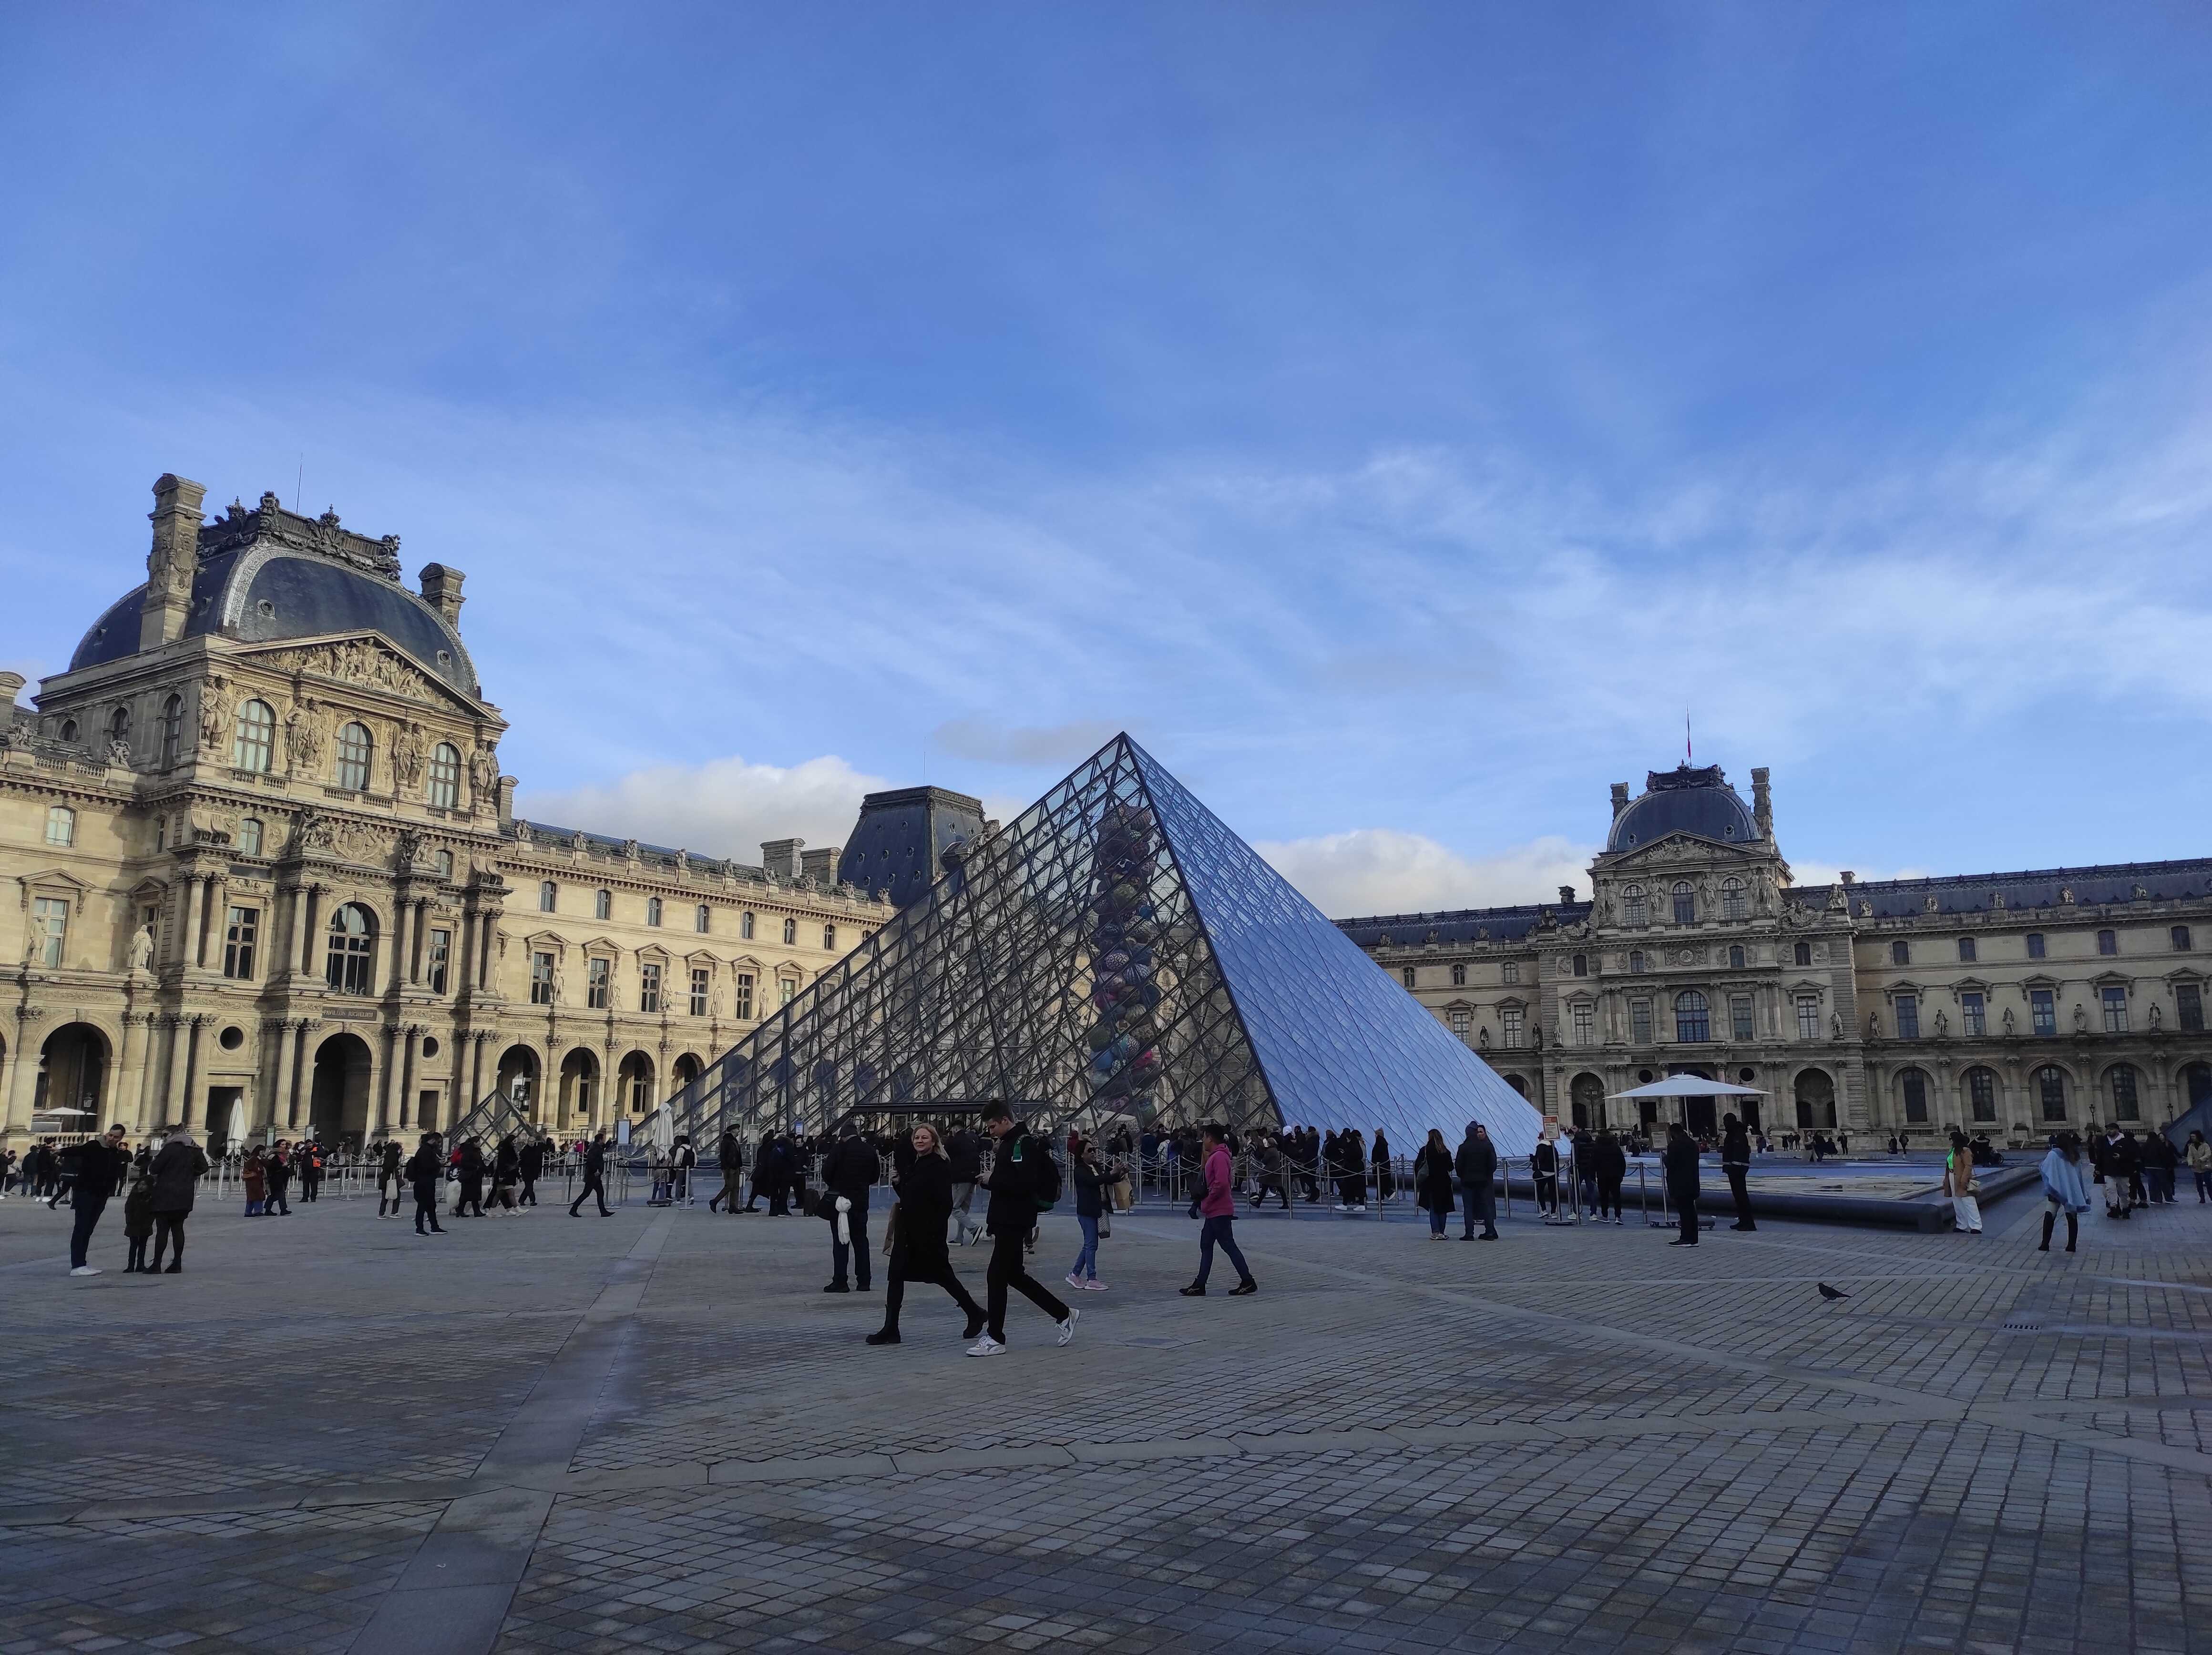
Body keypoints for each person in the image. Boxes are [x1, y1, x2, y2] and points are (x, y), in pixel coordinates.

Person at [968, 1099, 1076, 1355]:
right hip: (1009, 1219)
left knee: (996, 1276)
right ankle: (1064, 1314)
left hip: (1014, 1220)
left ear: (1006, 1120)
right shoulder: (1010, 1143)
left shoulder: (1022, 1144)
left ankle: (995, 1338)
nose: (990, 1131)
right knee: (1014, 1275)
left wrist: (990, 1180)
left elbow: (1023, 1183)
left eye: (993, 1126)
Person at [869, 1123, 986, 1344]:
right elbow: (909, 1197)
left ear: (934, 1142)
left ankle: (975, 1312)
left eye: (924, 1138)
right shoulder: (917, 1164)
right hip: (909, 1232)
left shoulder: (939, 1166)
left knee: (943, 1277)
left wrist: (932, 1231)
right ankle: (891, 1328)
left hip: (926, 1234)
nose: (919, 1141)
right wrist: (898, 1184)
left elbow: (944, 1204)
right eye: (917, 1138)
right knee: (896, 1276)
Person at [1181, 1123, 1259, 1296]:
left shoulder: (1219, 1157)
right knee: (1207, 1245)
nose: (1202, 1140)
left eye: (1204, 1137)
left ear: (1210, 1138)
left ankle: (1247, 1281)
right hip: (1216, 1210)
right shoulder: (1218, 1155)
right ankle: (1200, 1284)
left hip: (1219, 1210)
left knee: (1228, 1246)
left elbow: (1222, 1183)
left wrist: (1207, 1201)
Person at [819, 1121, 880, 1293]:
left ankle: (841, 1282)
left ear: (843, 1137)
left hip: (841, 1203)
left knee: (841, 1242)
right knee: (861, 1241)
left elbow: (826, 1173)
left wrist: (836, 1185)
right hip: (861, 1201)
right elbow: (875, 1176)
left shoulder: (839, 1149)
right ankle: (864, 1281)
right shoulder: (869, 1150)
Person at [65, 1124, 128, 1276]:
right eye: (110, 1135)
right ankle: (77, 1265)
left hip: (101, 1195)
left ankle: (82, 1264)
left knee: (88, 1229)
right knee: (81, 1228)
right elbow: (78, 1151)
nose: (111, 1138)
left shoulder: (114, 1152)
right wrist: (59, 1151)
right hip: (86, 1192)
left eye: (116, 1137)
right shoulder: (95, 1145)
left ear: (121, 1139)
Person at [147, 1126, 209, 1272]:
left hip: (165, 1193)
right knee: (178, 1228)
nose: (163, 1138)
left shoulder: (169, 1149)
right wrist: (189, 1174)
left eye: (164, 1135)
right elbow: (204, 1167)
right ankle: (177, 1263)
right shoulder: (194, 1148)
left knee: (162, 1230)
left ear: (171, 1134)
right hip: (185, 1194)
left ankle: (157, 1264)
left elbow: (154, 1169)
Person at [1066, 1132, 1107, 1290]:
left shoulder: (1096, 1167)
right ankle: (1092, 1279)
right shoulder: (1080, 1170)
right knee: (1091, 1245)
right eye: (1090, 1150)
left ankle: (1075, 1275)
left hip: (1096, 1209)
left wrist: (1118, 1173)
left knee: (1089, 1245)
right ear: (1082, 1155)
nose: (1093, 1152)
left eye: (1094, 1150)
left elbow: (1106, 1179)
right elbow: (1094, 1181)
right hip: (1086, 1210)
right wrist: (1111, 1174)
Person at [2038, 1133, 2090, 1253]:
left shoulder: (2054, 1154)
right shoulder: (2075, 1155)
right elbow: (2077, 1176)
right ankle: (2072, 1246)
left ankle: (2045, 1244)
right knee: (2072, 1217)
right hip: (2071, 1190)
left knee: (2050, 1214)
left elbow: (2045, 1168)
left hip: (2056, 1190)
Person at [1455, 1121, 1498, 1240]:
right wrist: (1487, 1175)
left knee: (1468, 1208)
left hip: (1467, 1183)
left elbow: (1458, 1166)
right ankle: (1489, 1232)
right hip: (1484, 1182)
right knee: (1486, 1206)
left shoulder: (1463, 1148)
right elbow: (1493, 1165)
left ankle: (1469, 1234)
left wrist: (1463, 1176)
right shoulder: (1487, 1146)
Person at [1662, 1122, 1700, 1246]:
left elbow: (1671, 1164)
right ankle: (1694, 1239)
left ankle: (1685, 1238)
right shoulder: (1693, 1144)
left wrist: (1664, 1158)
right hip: (1692, 1182)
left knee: (1684, 1212)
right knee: (1691, 1212)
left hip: (1679, 1183)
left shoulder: (1674, 1145)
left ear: (1673, 1133)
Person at [1415, 1128, 1455, 1238]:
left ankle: (1436, 1232)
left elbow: (1418, 1166)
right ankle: (1441, 1232)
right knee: (1443, 1209)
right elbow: (1450, 1167)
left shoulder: (1425, 1150)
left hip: (1430, 1183)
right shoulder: (1445, 1151)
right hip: (1444, 1183)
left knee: (1433, 1208)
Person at [947, 1123, 983, 1244]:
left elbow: (945, 1157)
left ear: (955, 1129)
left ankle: (974, 1228)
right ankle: (959, 1237)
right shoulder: (971, 1140)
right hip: (972, 1178)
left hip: (959, 1178)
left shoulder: (954, 1142)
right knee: (963, 1209)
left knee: (954, 1207)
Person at [406, 1133, 447, 1236]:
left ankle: (435, 1227)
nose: (439, 1145)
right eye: (439, 1142)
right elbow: (426, 1167)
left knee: (431, 1206)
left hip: (425, 1181)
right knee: (423, 1206)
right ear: (433, 1140)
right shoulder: (426, 1151)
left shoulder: (425, 1150)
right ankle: (420, 1229)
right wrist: (439, 1164)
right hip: (425, 1182)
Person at [1720, 1114, 1756, 1232]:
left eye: (1725, 1121)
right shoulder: (1734, 1133)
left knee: (1742, 1197)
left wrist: (1734, 1167)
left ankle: (1749, 1223)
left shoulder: (1737, 1134)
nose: (1724, 1124)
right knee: (1739, 1197)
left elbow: (1739, 1153)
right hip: (1735, 1169)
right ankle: (1743, 1221)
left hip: (1738, 1170)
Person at [1943, 1129, 1983, 1235]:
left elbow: (1968, 1166)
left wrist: (1964, 1180)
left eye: (1950, 1138)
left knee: (1969, 1202)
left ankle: (1976, 1226)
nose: (1949, 1141)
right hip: (1952, 1177)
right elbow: (1949, 1165)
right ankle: (1962, 1225)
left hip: (1962, 1178)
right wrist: (1946, 1179)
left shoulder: (1965, 1151)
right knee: (1957, 1202)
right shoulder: (1953, 1150)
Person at [569, 1130, 613, 1216]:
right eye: (603, 1140)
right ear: (600, 1140)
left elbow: (604, 1147)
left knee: (600, 1193)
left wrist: (609, 1143)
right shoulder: (595, 1149)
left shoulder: (597, 1147)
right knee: (586, 1194)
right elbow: (591, 1161)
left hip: (596, 1176)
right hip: (593, 1175)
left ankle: (603, 1212)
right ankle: (573, 1209)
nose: (603, 1141)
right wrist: (595, 1170)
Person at [122, 1166, 156, 1271]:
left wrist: (149, 1222)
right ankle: (131, 1265)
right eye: (140, 1185)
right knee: (133, 1246)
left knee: (142, 1246)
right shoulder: (134, 1196)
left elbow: (152, 1212)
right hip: (133, 1224)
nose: (141, 1187)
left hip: (145, 1225)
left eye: (144, 1185)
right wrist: (130, 1221)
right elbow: (128, 1209)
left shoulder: (151, 1197)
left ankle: (140, 1264)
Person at [1595, 1128, 1627, 1225]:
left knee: (1604, 1197)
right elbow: (1622, 1162)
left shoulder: (1597, 1148)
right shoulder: (1616, 1147)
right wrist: (1622, 1175)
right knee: (1617, 1196)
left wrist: (1593, 1175)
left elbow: (1594, 1162)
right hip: (1615, 1175)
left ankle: (1605, 1216)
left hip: (1602, 1176)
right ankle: (1618, 1216)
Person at [2140, 1128, 2179, 1205]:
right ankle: (2169, 1199)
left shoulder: (2145, 1145)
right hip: (2160, 1167)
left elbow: (2142, 1157)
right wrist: (2168, 1166)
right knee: (2164, 1184)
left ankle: (2155, 1199)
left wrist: (2143, 1167)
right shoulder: (2159, 1145)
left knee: (2153, 1184)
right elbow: (2164, 1156)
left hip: (2149, 1167)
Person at [710, 1128, 743, 1212]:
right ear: (733, 1131)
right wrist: (726, 1167)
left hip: (735, 1167)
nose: (739, 1132)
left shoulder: (733, 1140)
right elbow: (723, 1156)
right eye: (737, 1131)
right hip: (730, 1167)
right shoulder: (727, 1141)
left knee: (735, 1187)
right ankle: (715, 1201)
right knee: (729, 1186)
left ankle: (733, 1207)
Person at [456, 1137, 488, 1217]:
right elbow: (464, 1163)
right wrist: (476, 1167)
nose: (480, 1144)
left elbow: (480, 1163)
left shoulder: (475, 1151)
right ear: (474, 1143)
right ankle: (463, 1211)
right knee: (467, 1195)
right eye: (478, 1142)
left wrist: (486, 1170)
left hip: (475, 1176)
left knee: (473, 1195)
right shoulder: (469, 1152)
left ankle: (470, 1211)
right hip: (470, 1176)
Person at [491, 1135, 521, 1212]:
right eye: (514, 1141)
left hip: (506, 1175)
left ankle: (493, 1211)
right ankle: (517, 1209)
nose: (515, 1143)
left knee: (499, 1194)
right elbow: (504, 1164)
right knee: (510, 1192)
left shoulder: (506, 1151)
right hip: (506, 1175)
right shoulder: (507, 1152)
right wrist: (502, 1175)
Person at [1531, 1135, 1559, 1217]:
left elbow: (1539, 1159)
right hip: (1553, 1173)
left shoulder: (1541, 1147)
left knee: (1540, 1191)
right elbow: (1556, 1160)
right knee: (1553, 1193)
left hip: (1543, 1173)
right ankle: (1553, 1212)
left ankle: (1544, 1210)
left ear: (1540, 1138)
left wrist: (1533, 1159)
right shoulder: (1553, 1147)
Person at [266, 1140, 293, 1216]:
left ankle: (268, 1209)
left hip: (282, 1176)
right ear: (278, 1145)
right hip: (276, 1177)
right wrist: (282, 1166)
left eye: (285, 1144)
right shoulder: (274, 1155)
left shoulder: (284, 1154)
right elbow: (271, 1166)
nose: (284, 1146)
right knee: (281, 1193)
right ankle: (283, 1209)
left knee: (274, 1194)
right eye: (283, 1144)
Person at [378, 1138, 404, 1216]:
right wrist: (396, 1168)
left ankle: (381, 1213)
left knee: (385, 1196)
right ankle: (394, 1212)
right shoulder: (394, 1155)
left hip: (385, 1177)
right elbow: (391, 1166)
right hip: (391, 1177)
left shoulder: (388, 1154)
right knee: (397, 1195)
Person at [242, 1145, 267, 1217]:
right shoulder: (254, 1159)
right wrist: (257, 1170)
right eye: (262, 1151)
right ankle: (257, 1211)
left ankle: (249, 1212)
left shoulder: (259, 1159)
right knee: (256, 1196)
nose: (264, 1153)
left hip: (257, 1180)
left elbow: (267, 1164)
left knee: (253, 1196)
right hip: (253, 1180)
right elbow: (247, 1166)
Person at [518, 1134, 543, 1206]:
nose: (532, 1143)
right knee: (529, 1186)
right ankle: (532, 1200)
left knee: (529, 1186)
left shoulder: (537, 1150)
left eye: (533, 1142)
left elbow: (539, 1160)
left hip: (534, 1170)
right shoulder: (524, 1150)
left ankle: (522, 1200)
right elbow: (521, 1160)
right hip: (526, 1170)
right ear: (528, 1142)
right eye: (530, 1142)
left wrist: (539, 1170)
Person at [2188, 1129, 2212, 1204]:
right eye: (2191, 1137)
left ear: (2198, 1136)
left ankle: (2211, 1197)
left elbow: (2208, 1154)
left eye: (2194, 1136)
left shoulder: (2205, 1145)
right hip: (2196, 1167)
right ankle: (2202, 1198)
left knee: (2208, 1183)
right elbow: (2190, 1155)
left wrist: (2201, 1159)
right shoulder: (2191, 1146)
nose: (2192, 1138)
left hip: (2205, 1167)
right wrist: (2190, 1163)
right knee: (2199, 1184)